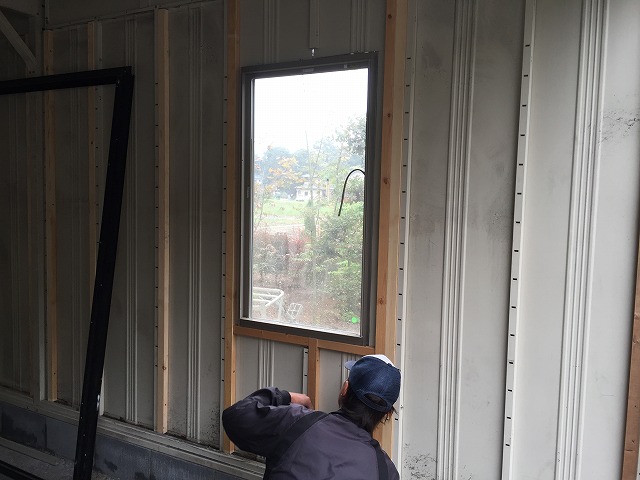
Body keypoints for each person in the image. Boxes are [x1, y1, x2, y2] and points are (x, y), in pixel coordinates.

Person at [222, 354, 401, 480]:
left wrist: (285, 397)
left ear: (345, 389)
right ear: (387, 414)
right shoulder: (386, 472)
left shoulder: (297, 422)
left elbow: (235, 417)